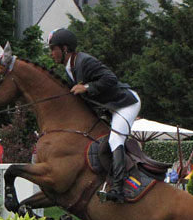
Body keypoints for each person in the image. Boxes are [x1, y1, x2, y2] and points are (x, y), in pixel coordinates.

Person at [48, 28, 141, 203]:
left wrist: (87, 88)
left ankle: (119, 189)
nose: (51, 53)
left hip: (126, 103)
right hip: (111, 107)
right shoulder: (70, 68)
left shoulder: (85, 62)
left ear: (65, 49)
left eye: (53, 49)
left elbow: (110, 79)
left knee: (115, 140)